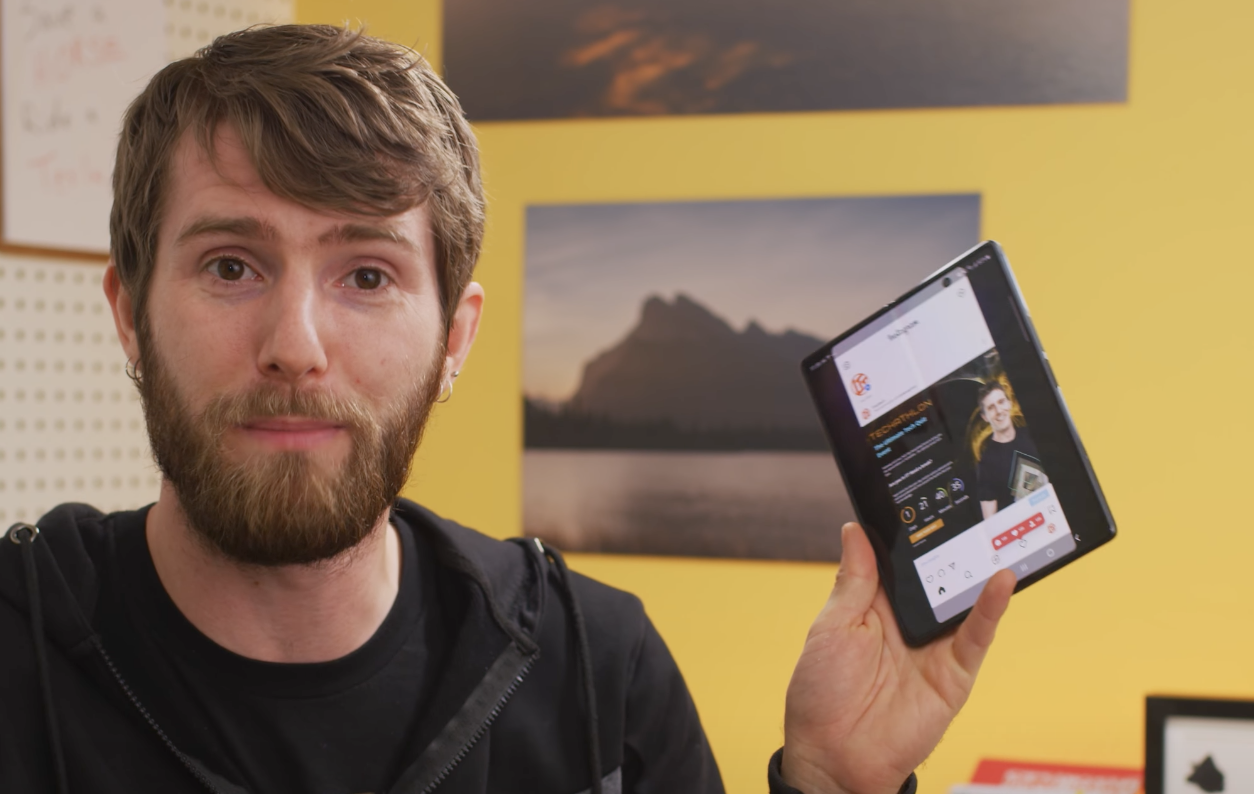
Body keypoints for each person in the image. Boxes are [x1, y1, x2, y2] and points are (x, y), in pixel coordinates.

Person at [0, 25, 1015, 794]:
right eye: (231, 265)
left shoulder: (599, 671)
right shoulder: (19, 647)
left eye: (366, 274)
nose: (295, 345)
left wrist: (833, 784)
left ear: (455, 339)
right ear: (130, 314)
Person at [975, 381, 1045, 519]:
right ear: (985, 417)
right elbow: (990, 521)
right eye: (991, 408)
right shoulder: (986, 464)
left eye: (1001, 402)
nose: (999, 411)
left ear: (1009, 403)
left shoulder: (1032, 434)